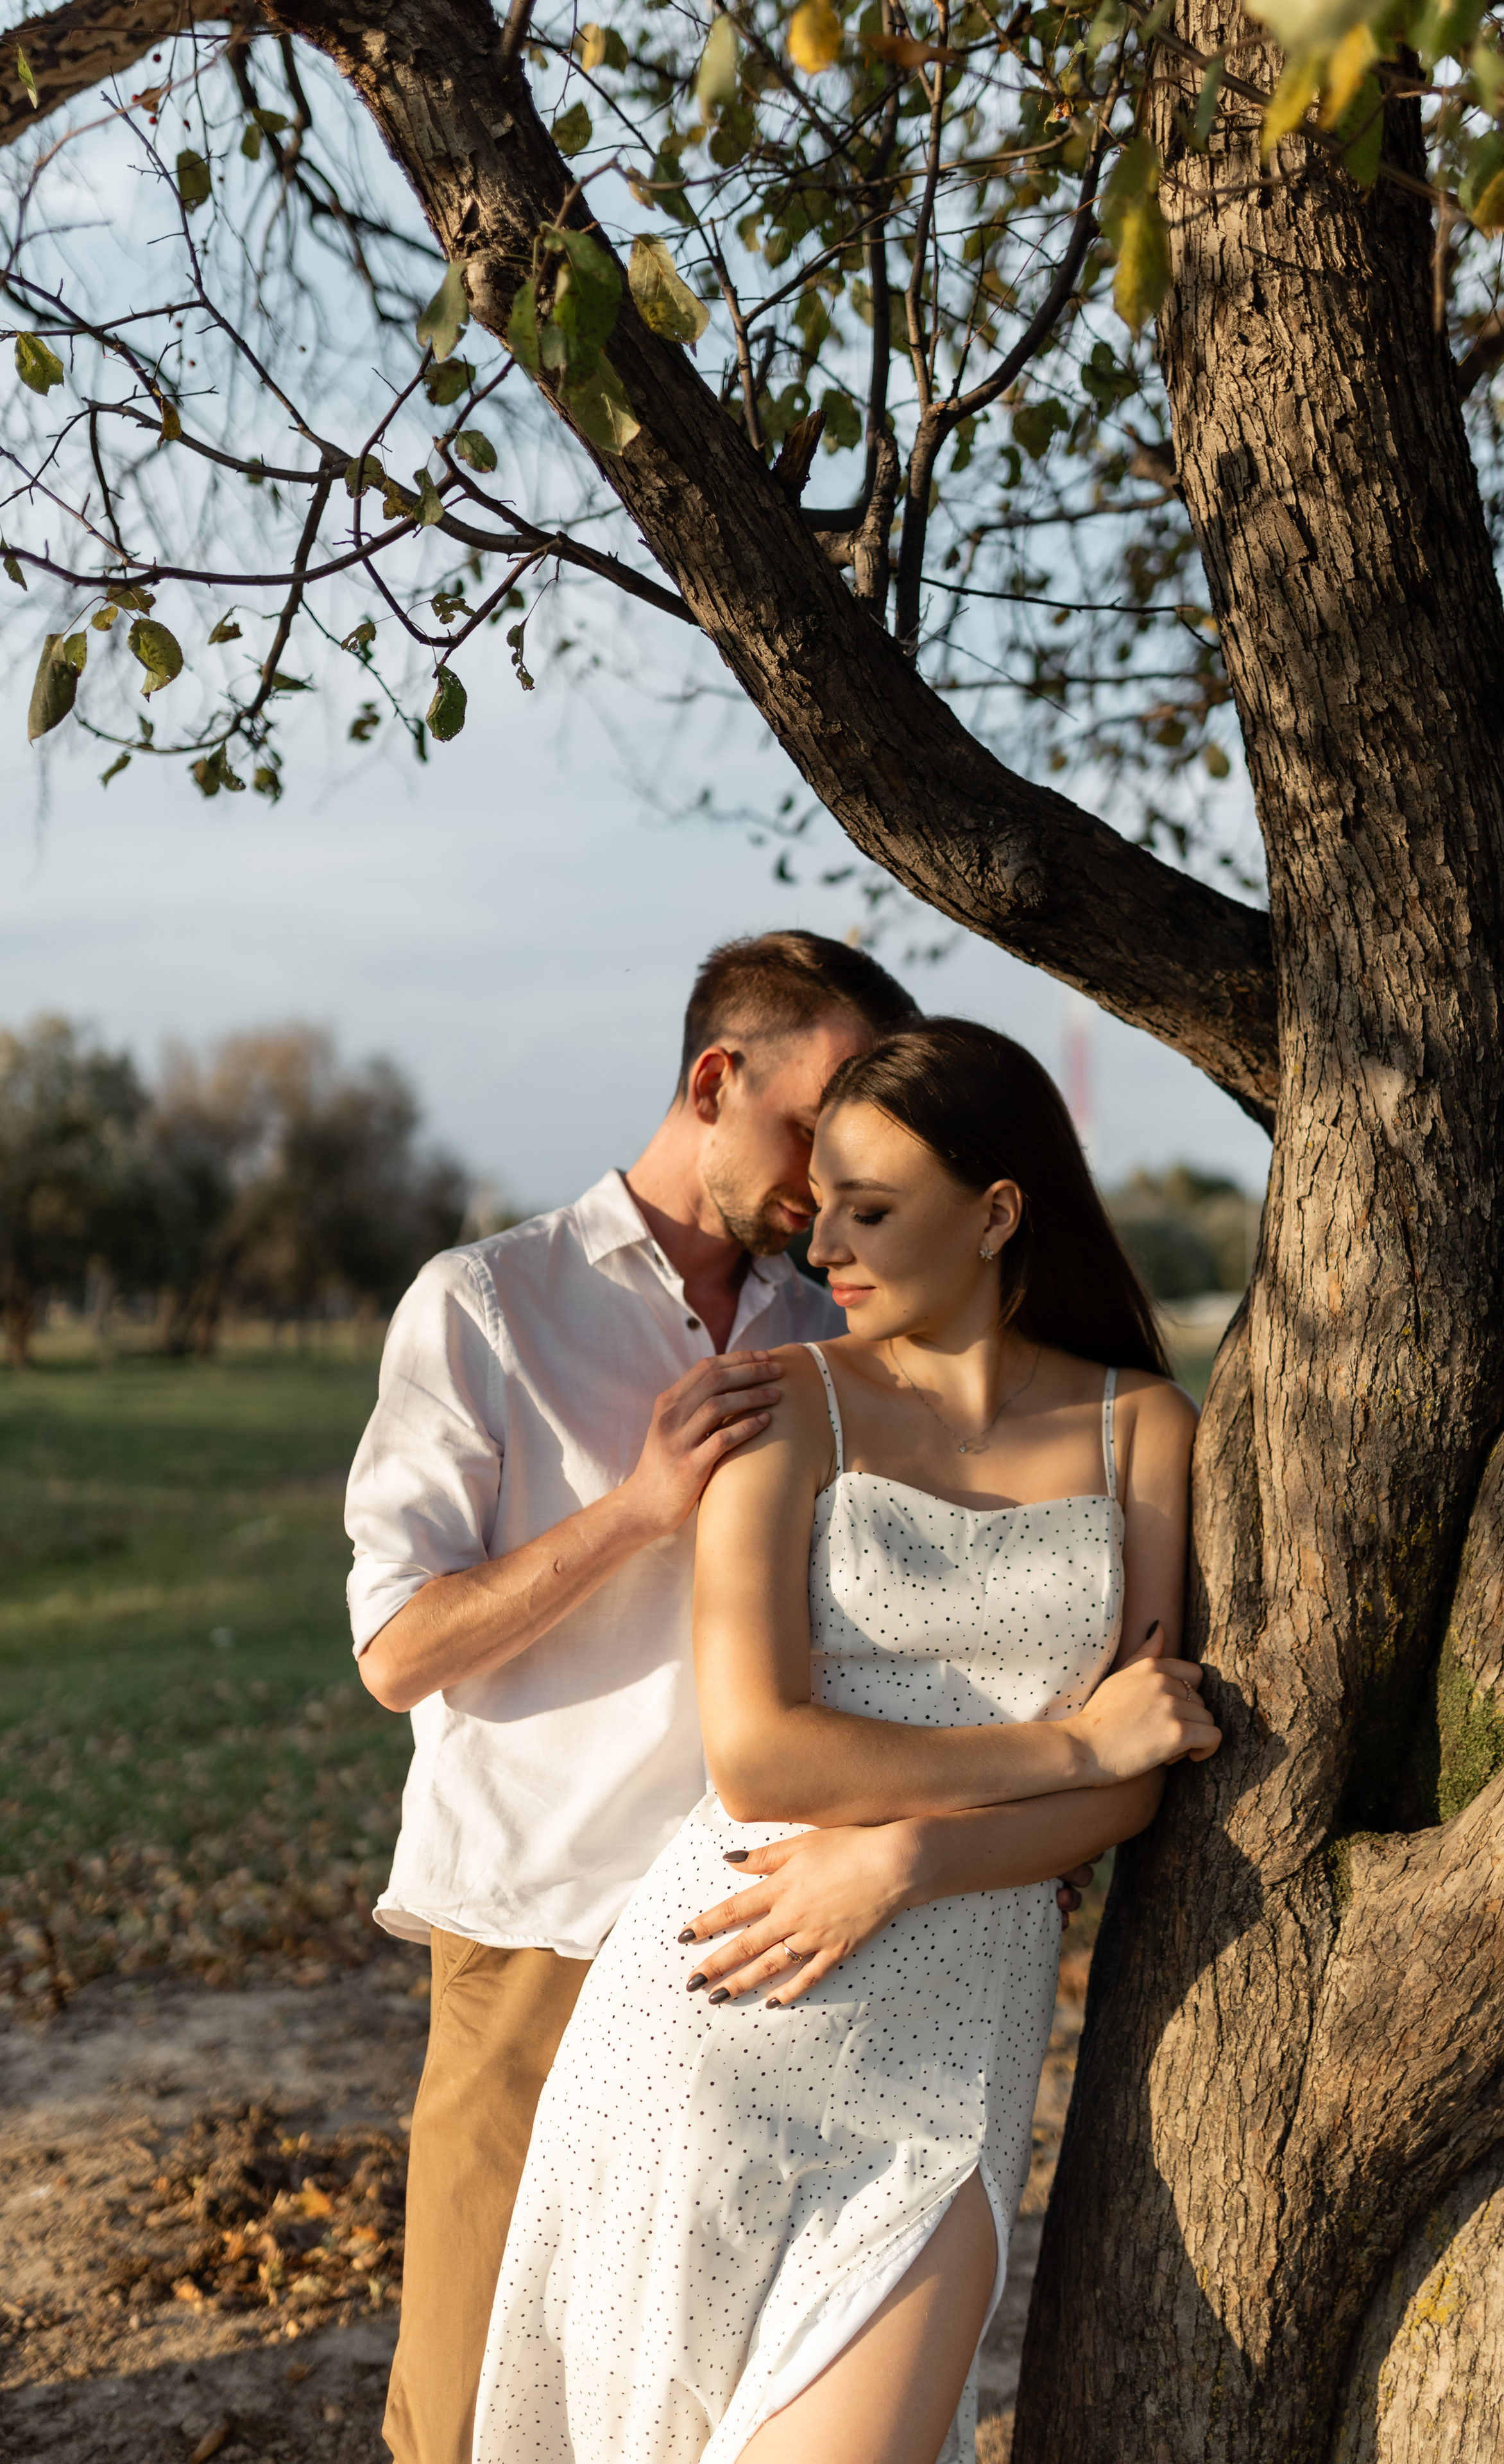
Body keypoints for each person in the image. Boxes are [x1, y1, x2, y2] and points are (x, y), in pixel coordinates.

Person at [472, 1017, 1218, 2464]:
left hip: (948, 2059)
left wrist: (906, 1864)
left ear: (998, 1212)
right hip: (725, 2000)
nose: (827, 1256)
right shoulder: (786, 1411)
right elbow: (763, 1759)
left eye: (871, 1213)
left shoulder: (1144, 1429)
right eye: (822, 1216)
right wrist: (1069, 1749)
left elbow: (1137, 1796)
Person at [345, 932, 921, 2464]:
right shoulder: (484, 1304)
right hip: (544, 1928)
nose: (832, 1178)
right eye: (812, 1129)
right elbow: (397, 1648)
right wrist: (635, 1508)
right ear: (712, 1081)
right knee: (473, 2411)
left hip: (758, 1943)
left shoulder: (827, 1338)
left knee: (685, 2401)